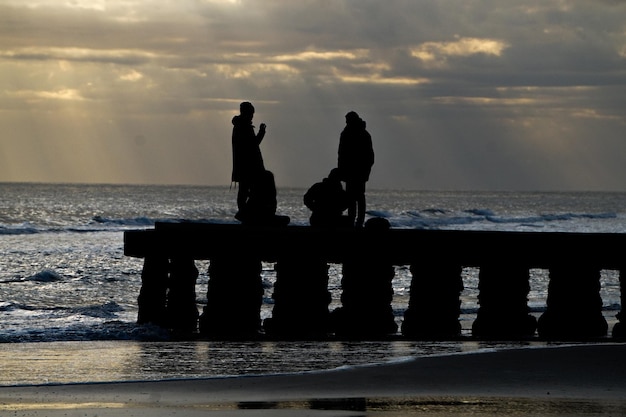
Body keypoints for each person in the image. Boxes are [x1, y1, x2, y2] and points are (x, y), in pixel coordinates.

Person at [337, 111, 374, 228]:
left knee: (358, 197)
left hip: (358, 171)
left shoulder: (362, 134)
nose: (346, 122)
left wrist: (366, 170)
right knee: (352, 197)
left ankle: (358, 221)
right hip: (351, 171)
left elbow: (369, 156)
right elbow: (341, 154)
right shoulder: (348, 133)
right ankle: (353, 220)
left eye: (348, 120)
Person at [231, 101, 266, 215]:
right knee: (247, 191)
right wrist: (261, 132)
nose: (252, 116)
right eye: (251, 113)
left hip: (244, 166)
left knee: (245, 191)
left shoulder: (240, 125)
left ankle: (246, 212)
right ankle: (246, 213)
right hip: (248, 166)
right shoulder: (243, 126)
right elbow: (253, 144)